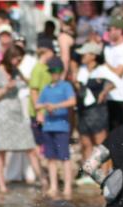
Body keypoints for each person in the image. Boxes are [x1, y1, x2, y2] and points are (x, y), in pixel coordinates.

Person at [0, 45, 44, 194]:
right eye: (16, 59)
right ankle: (2, 185)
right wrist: (5, 89)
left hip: (18, 113)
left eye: (20, 60)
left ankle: (43, 181)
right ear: (9, 57)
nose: (17, 62)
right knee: (1, 151)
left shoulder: (16, 71)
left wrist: (22, 76)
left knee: (30, 148)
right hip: (2, 114)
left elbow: (28, 83)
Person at [75, 42, 117, 184]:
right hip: (83, 110)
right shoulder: (82, 70)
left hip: (97, 110)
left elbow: (114, 82)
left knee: (101, 144)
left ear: (93, 56)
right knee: (86, 142)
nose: (82, 56)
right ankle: (89, 173)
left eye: (85, 54)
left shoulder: (102, 70)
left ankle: (105, 173)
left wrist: (105, 91)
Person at [36, 56, 76, 198]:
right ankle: (53, 186)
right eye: (52, 71)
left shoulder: (66, 86)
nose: (55, 73)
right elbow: (37, 104)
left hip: (62, 126)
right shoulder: (46, 88)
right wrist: (45, 107)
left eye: (57, 70)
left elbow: (72, 101)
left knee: (65, 157)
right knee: (51, 158)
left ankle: (67, 187)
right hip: (48, 126)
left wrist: (56, 106)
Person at [103, 14, 123, 131]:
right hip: (109, 97)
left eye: (109, 29)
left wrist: (104, 64)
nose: (107, 33)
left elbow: (118, 73)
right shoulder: (107, 48)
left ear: (119, 30)